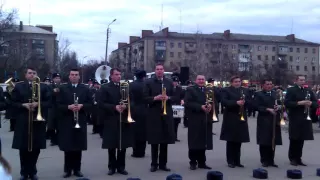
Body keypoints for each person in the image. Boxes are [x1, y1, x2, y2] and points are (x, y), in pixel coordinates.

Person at [11, 67, 50, 180]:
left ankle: (32, 171)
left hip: (38, 121)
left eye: (34, 73)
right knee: (23, 148)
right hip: (23, 120)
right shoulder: (19, 86)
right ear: (25, 75)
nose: (32, 75)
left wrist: (38, 104)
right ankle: (24, 172)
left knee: (36, 147)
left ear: (37, 74)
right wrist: (24, 105)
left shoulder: (43, 86)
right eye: (29, 73)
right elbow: (13, 102)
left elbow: (49, 101)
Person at [56, 68, 92, 178]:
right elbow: (57, 105)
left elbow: (90, 104)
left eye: (76, 75)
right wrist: (68, 107)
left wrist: (82, 106)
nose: (74, 76)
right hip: (67, 120)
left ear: (79, 77)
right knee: (68, 146)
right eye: (72, 74)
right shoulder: (62, 88)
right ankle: (67, 170)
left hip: (80, 119)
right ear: (69, 76)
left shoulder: (85, 89)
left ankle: (77, 169)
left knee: (78, 145)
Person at [99, 68, 134, 175]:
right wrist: (114, 107)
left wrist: (126, 106)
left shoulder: (125, 87)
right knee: (112, 145)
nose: (119, 76)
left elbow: (132, 101)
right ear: (111, 76)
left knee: (122, 145)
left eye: (120, 74)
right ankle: (112, 167)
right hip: (111, 119)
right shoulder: (105, 88)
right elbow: (101, 103)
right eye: (116, 74)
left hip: (123, 119)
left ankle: (121, 167)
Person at [144, 63, 176, 172]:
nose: (159, 71)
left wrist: (169, 98)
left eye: (161, 69)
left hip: (166, 115)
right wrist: (155, 98)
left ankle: (163, 164)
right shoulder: (148, 82)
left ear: (164, 70)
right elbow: (144, 98)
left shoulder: (169, 82)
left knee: (164, 140)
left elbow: (176, 97)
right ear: (155, 70)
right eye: (157, 69)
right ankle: (154, 164)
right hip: (154, 114)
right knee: (154, 140)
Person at [284, 75, 316, 166]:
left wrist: (310, 103)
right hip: (295, 117)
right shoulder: (291, 90)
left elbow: (315, 103)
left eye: (304, 80)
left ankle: (299, 158)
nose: (302, 82)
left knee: (301, 138)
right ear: (296, 81)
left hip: (305, 117)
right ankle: (292, 158)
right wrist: (299, 103)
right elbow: (287, 103)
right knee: (294, 138)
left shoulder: (308, 90)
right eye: (301, 80)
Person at [220, 75, 250, 168]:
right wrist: (236, 103)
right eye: (235, 81)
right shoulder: (226, 90)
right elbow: (224, 101)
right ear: (232, 83)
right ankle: (230, 161)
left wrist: (246, 102)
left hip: (241, 117)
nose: (237, 83)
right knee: (231, 140)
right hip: (231, 117)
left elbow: (249, 101)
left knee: (239, 140)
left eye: (239, 81)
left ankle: (237, 160)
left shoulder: (244, 90)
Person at [184, 75, 213, 170]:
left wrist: (210, 107)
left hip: (205, 117)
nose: (201, 81)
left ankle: (202, 162)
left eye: (203, 79)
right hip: (194, 118)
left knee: (203, 140)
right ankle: (192, 162)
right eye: (199, 79)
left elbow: (212, 101)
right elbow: (187, 102)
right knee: (194, 140)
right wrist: (200, 107)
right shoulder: (190, 89)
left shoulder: (208, 90)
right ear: (196, 81)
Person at [254, 78, 282, 167]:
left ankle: (271, 160)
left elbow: (281, 103)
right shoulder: (259, 94)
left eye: (270, 84)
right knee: (264, 140)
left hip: (274, 119)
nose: (269, 86)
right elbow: (255, 106)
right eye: (267, 84)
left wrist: (279, 107)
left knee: (273, 139)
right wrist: (267, 109)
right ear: (263, 85)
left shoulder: (275, 93)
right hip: (264, 119)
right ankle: (264, 160)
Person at [130, 70, 147, 158]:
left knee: (135, 131)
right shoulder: (146, 84)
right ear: (144, 76)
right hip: (144, 109)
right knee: (143, 131)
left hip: (134, 109)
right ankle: (142, 151)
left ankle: (135, 151)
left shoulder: (131, 84)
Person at [47, 73, 61, 146]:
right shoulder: (49, 86)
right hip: (52, 107)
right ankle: (53, 140)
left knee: (59, 125)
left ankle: (58, 139)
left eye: (58, 78)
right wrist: (53, 91)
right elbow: (47, 95)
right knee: (51, 125)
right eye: (56, 78)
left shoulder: (62, 86)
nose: (57, 79)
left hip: (60, 108)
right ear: (53, 79)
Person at [171, 76, 183, 141]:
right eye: (174, 81)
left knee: (176, 122)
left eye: (176, 82)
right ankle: (170, 136)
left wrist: (182, 100)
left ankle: (175, 136)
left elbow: (182, 96)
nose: (175, 83)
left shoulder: (179, 88)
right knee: (170, 122)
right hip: (171, 107)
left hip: (178, 108)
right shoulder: (169, 88)